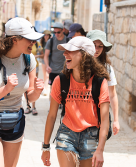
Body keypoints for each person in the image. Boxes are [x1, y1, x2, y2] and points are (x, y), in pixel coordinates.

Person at [0, 17, 44, 167]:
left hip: (15, 121)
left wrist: (37, 91)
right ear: (14, 40)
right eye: (29, 39)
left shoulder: (29, 59)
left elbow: (30, 96)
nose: (33, 43)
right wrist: (6, 89)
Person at [41, 36, 110, 167]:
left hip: (91, 135)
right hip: (67, 134)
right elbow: (51, 116)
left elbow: (105, 120)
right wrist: (45, 147)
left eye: (70, 51)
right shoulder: (60, 81)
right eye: (65, 50)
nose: (64, 54)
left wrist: (100, 150)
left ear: (84, 55)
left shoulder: (100, 82)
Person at [87, 29, 120, 136]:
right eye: (93, 44)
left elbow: (112, 94)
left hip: (100, 116)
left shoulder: (108, 69)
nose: (96, 49)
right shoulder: (78, 65)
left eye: (100, 46)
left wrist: (116, 120)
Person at [44, 22, 68, 106]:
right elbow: (46, 56)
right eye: (55, 32)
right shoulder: (51, 41)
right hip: (53, 70)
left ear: (63, 30)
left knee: (64, 89)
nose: (56, 34)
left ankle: (63, 106)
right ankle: (52, 106)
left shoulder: (68, 41)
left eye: (59, 32)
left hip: (65, 70)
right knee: (52, 89)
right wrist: (47, 66)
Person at [25, 37, 42, 115]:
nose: (33, 42)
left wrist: (36, 57)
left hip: (34, 66)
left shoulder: (37, 44)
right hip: (24, 67)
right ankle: (28, 106)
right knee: (25, 87)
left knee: (32, 86)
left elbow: (42, 54)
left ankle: (33, 107)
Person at [39, 30, 52, 96]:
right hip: (44, 60)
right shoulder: (42, 42)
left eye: (47, 35)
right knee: (45, 75)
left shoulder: (51, 42)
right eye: (45, 35)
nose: (46, 36)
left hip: (51, 60)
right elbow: (42, 52)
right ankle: (45, 89)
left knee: (48, 75)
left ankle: (46, 89)